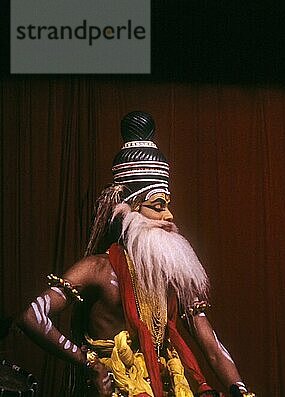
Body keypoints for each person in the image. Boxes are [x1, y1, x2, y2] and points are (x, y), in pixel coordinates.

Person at [17, 111, 255, 397]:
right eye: (157, 206)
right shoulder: (99, 269)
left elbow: (211, 347)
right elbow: (33, 316)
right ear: (128, 211)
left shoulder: (173, 278)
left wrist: (240, 389)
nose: (169, 216)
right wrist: (89, 363)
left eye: (167, 205)